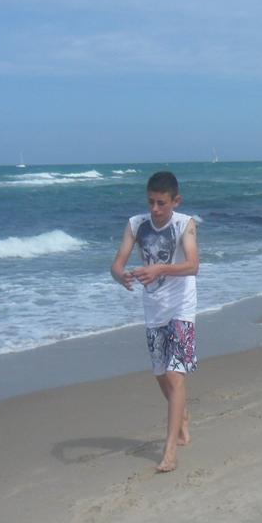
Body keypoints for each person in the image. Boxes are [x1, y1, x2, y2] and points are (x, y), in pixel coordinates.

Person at [111, 171, 199, 473]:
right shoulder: (136, 225)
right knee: (161, 374)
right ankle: (181, 414)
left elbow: (193, 265)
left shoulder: (185, 224)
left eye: (161, 203)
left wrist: (159, 268)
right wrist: (120, 275)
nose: (155, 209)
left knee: (175, 376)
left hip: (182, 308)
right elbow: (117, 263)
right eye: (151, 202)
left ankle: (170, 451)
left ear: (176, 201)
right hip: (154, 309)